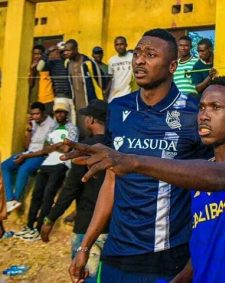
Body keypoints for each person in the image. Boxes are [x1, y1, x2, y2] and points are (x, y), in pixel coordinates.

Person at [63, 76, 225, 283]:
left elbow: (219, 177)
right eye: (202, 107)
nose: (204, 115)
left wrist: (134, 161)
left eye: (215, 107)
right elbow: (202, 246)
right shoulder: (195, 182)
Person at [64, 28, 211, 283]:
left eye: (151, 55)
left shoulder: (192, 114)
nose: (140, 60)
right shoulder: (118, 107)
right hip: (116, 250)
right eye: (138, 53)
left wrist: (195, 260)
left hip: (166, 256)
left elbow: (208, 187)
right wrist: (85, 246)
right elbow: (111, 181)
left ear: (172, 66)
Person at [40, 100, 108, 282]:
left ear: (91, 120)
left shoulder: (84, 149)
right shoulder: (118, 148)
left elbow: (70, 190)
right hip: (111, 227)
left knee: (84, 276)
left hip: (86, 227)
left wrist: (50, 218)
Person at [14, 102, 78, 241]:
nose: (59, 115)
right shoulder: (53, 127)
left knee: (48, 196)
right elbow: (45, 148)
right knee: (37, 195)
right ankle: (29, 226)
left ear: (67, 114)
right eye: (57, 112)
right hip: (47, 163)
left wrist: (53, 146)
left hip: (61, 164)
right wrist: (59, 144)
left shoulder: (72, 128)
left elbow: (67, 150)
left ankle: (39, 228)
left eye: (62, 112)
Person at [1, 102, 57, 212]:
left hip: (41, 155)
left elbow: (45, 150)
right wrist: (29, 130)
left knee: (24, 169)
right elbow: (26, 146)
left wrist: (25, 156)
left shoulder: (52, 125)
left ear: (44, 113)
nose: (35, 117)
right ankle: (10, 199)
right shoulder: (33, 123)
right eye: (33, 114)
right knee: (4, 165)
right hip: (28, 153)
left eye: (37, 114)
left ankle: (16, 199)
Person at [64, 39, 104, 139]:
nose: (66, 53)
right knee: (79, 125)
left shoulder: (88, 62)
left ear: (76, 49)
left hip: (89, 100)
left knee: (91, 125)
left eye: (69, 50)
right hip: (76, 102)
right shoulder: (67, 63)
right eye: (65, 50)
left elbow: (101, 80)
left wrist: (101, 97)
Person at [37, 41, 75, 123]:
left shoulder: (72, 63)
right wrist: (47, 52)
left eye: (66, 51)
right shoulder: (53, 64)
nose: (64, 53)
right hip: (60, 98)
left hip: (73, 98)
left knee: (72, 123)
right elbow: (39, 68)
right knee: (59, 123)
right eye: (62, 52)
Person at [29, 45, 55, 115]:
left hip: (48, 100)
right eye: (35, 54)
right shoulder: (31, 67)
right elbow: (30, 85)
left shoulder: (47, 65)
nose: (37, 56)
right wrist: (32, 71)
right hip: (36, 100)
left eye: (39, 54)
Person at [106, 36, 133, 102]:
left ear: (126, 45)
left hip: (128, 93)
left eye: (121, 44)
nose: (119, 47)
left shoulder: (133, 57)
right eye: (117, 45)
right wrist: (106, 93)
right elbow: (111, 79)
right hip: (113, 95)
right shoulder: (111, 60)